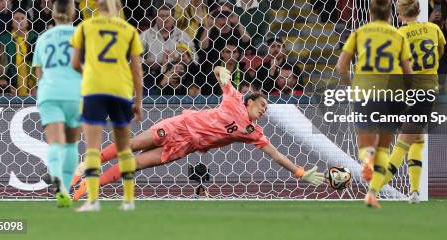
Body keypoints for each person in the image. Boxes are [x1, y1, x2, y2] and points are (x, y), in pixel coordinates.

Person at [71, 66, 324, 200]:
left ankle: (90, 186)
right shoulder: (234, 98)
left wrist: (300, 172)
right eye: (262, 105)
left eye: (266, 108)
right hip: (180, 126)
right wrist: (222, 70)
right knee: (133, 144)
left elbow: (277, 155)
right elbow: (217, 70)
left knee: (134, 164)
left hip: (186, 146)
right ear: (250, 101)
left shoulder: (252, 132)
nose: (264, 110)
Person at [335, 0, 412, 209]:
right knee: (384, 148)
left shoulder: (359, 33)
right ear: (390, 14)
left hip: (365, 91)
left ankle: (366, 160)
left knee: (366, 144)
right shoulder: (398, 36)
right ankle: (372, 193)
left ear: (370, 13)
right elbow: (408, 72)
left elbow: (341, 67)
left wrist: (349, 84)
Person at [70, 0, 144, 212]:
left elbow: (74, 63)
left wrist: (89, 76)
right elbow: (137, 70)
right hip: (121, 90)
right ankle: (128, 200)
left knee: (92, 148)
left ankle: (93, 201)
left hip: (94, 90)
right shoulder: (129, 30)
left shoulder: (85, 27)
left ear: (97, 5)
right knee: (124, 147)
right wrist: (138, 101)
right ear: (119, 7)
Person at [380, 0, 445, 204]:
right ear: (418, 11)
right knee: (406, 140)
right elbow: (441, 51)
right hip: (427, 91)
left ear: (400, 13)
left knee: (415, 137)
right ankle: (376, 188)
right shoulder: (434, 29)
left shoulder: (398, 34)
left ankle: (414, 191)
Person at [32, 0, 81, 208]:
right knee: (71, 144)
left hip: (50, 93)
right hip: (75, 94)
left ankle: (55, 175)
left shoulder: (43, 39)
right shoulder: (82, 37)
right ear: (73, 15)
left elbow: (38, 73)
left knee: (55, 143)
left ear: (53, 15)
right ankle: (64, 190)